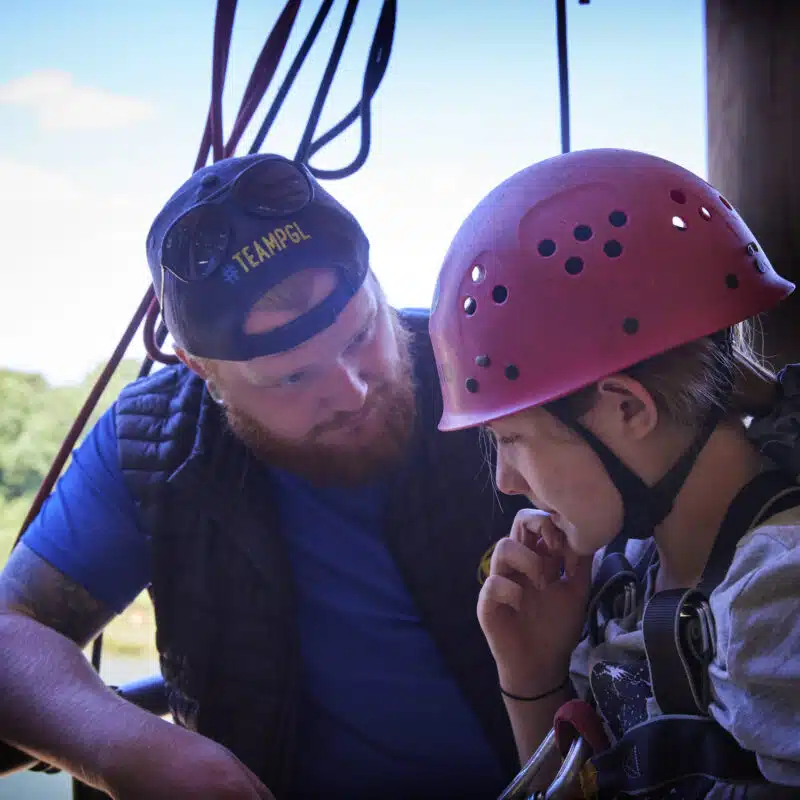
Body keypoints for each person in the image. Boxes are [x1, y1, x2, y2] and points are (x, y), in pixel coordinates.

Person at [0, 153, 528, 800]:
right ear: (203, 371)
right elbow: (10, 631)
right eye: (291, 378)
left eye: (361, 334)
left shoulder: (499, 370)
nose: (352, 391)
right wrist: (125, 747)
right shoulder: (154, 444)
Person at [428, 148, 800, 798]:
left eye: (511, 439)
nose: (507, 483)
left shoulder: (778, 606)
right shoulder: (631, 568)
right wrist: (535, 677)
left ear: (627, 408)